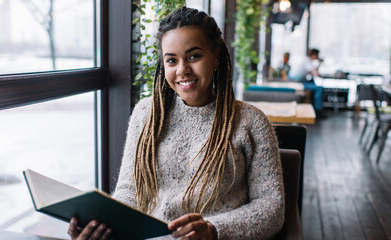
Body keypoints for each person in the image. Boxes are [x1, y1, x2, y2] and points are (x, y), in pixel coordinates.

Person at [68, 6, 284, 240]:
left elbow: (272, 208)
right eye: (172, 60)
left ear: (216, 58)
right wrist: (103, 225)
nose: (182, 70)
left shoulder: (250, 122)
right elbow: (129, 192)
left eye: (194, 56)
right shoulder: (146, 113)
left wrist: (213, 229)